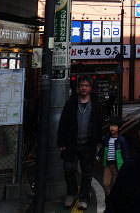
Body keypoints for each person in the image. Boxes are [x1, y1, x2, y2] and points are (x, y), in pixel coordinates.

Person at [57, 74, 104, 210]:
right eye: (81, 85)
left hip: (88, 144)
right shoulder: (71, 103)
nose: (84, 88)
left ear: (90, 88)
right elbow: (63, 123)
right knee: (68, 169)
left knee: (87, 172)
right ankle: (71, 192)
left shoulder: (95, 104)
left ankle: (84, 198)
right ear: (78, 87)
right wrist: (61, 142)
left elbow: (98, 124)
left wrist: (98, 141)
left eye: (86, 85)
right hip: (71, 142)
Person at [99, 117, 129, 197]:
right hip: (107, 165)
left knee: (117, 184)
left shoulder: (121, 140)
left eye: (115, 126)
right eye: (111, 126)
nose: (112, 128)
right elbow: (102, 150)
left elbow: (125, 153)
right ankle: (108, 196)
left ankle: (115, 199)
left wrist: (126, 165)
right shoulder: (106, 138)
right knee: (105, 183)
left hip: (117, 165)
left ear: (120, 128)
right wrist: (97, 157)